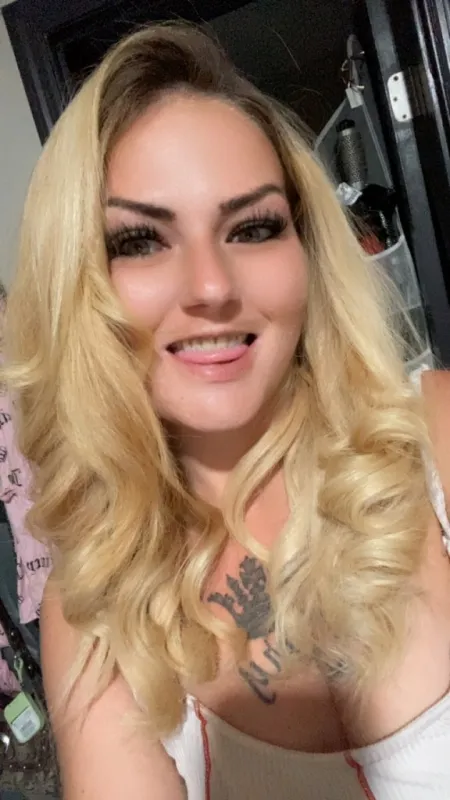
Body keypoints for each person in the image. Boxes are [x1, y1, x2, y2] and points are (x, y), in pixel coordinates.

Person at [3, 22, 450, 800]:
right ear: (79, 284)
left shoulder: (440, 437)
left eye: (253, 228)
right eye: (140, 241)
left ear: (306, 252)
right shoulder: (99, 609)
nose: (212, 286)